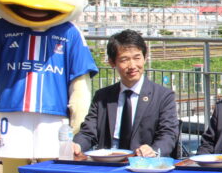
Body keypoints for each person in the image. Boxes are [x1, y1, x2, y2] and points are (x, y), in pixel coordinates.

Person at [73, 30, 179, 158]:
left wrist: (153, 150)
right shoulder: (102, 97)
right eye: (124, 60)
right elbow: (88, 133)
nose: (132, 65)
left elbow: (168, 134)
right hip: (108, 163)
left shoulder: (163, 96)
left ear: (145, 58)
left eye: (137, 58)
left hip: (143, 163)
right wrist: (77, 145)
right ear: (112, 62)